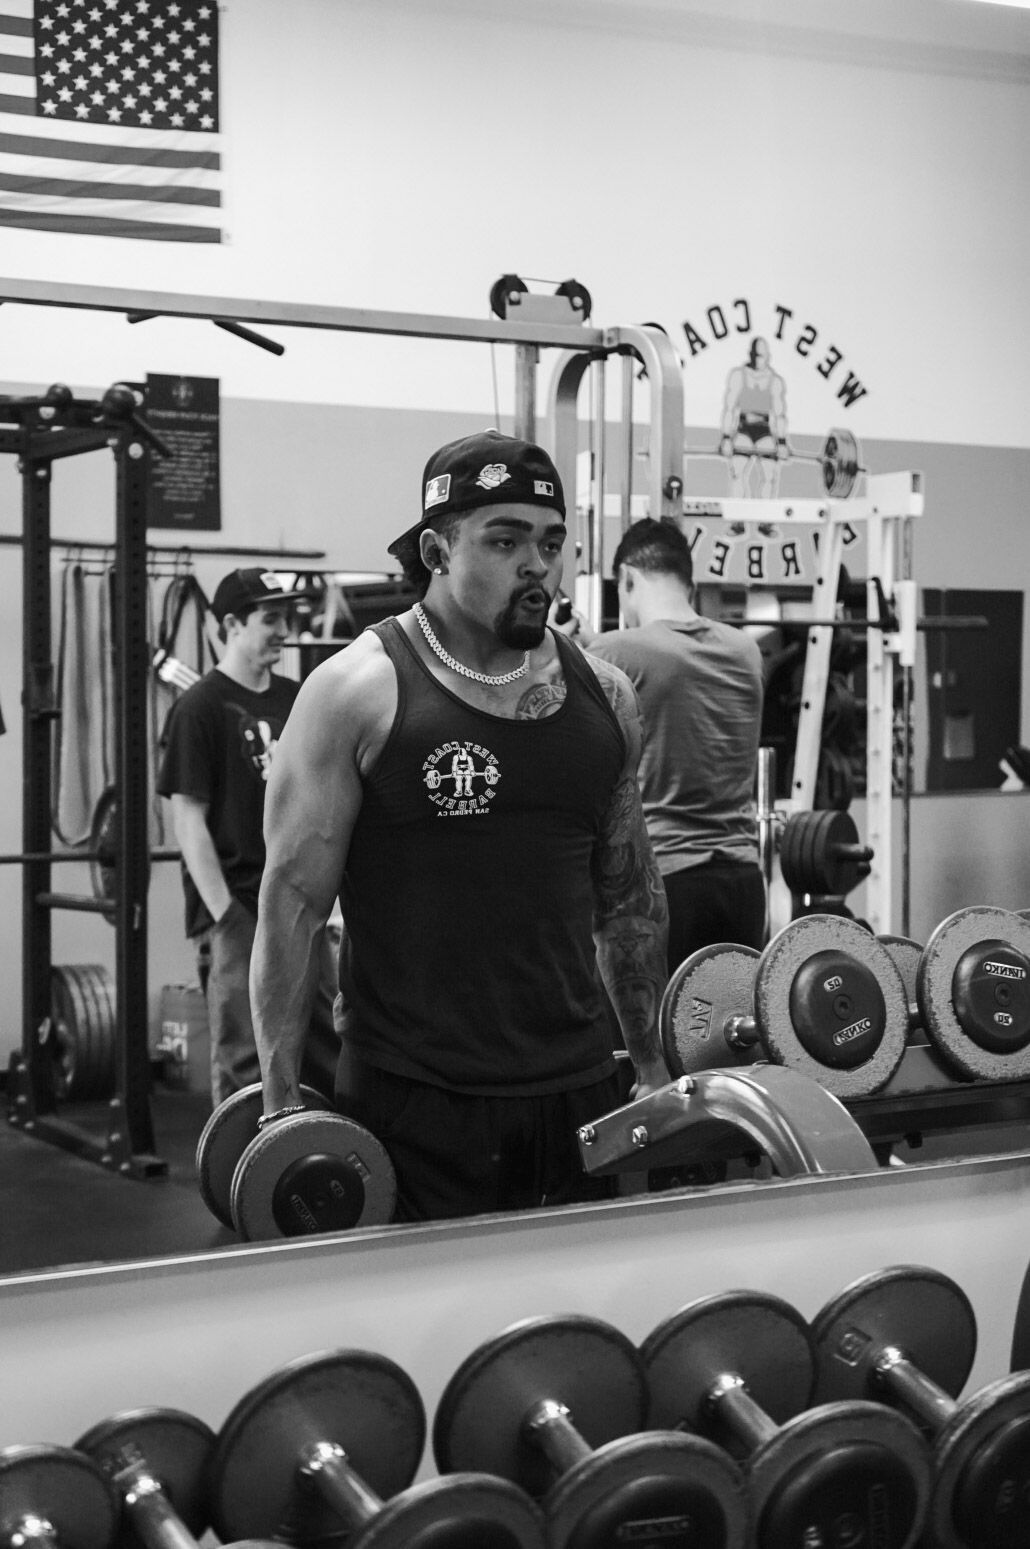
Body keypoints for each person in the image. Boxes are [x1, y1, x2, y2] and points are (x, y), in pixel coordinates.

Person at [250, 429, 671, 1223]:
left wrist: (647, 1064)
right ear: (438, 550)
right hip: (416, 1097)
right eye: (504, 540)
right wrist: (278, 1101)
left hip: (579, 1086)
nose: (537, 564)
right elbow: (293, 906)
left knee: (578, 1327)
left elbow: (628, 898)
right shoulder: (355, 692)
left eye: (551, 542)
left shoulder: (605, 695)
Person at [157, 567, 340, 1107]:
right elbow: (188, 821)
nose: (282, 629)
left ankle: (323, 1160)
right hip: (238, 907)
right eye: (270, 619)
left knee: (326, 1040)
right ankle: (246, 1180)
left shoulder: (299, 697)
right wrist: (226, 917)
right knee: (245, 1058)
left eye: (286, 617)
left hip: (301, 902)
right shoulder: (199, 709)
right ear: (232, 624)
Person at [576, 518, 766, 974]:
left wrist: (571, 646)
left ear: (627, 579)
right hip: (743, 883)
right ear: (690, 584)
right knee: (727, 1035)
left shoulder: (617, 651)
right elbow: (669, 673)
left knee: (649, 1041)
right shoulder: (745, 650)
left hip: (666, 881)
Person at [719, 336, 788, 497]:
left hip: (764, 433)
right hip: (744, 431)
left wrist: (782, 443)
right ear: (750, 354)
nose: (758, 359)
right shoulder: (738, 376)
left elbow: (780, 416)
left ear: (767, 357)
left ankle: (765, 520)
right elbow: (729, 409)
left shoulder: (775, 381)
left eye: (761, 356)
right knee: (737, 472)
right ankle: (738, 520)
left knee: (770, 476)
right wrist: (726, 438)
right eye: (755, 355)